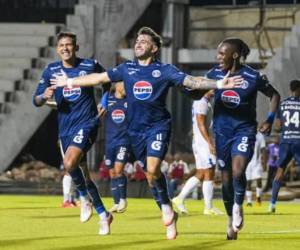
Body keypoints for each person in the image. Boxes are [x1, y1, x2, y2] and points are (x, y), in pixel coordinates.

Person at [50, 27, 244, 240]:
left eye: (144, 41)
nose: (138, 44)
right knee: (151, 175)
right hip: (134, 131)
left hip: (158, 127)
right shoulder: (127, 68)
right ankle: (167, 207)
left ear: (154, 48)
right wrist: (68, 82)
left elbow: (191, 81)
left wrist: (217, 83)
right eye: (137, 41)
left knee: (152, 168)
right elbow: (98, 78)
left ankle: (167, 210)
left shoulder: (164, 70)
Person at [33, 31, 112, 235]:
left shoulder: (89, 65)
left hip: (87, 123)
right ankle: (104, 215)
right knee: (82, 175)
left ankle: (84, 198)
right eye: (62, 46)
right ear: (57, 49)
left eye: (69, 45)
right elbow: (36, 100)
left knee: (69, 164)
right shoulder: (51, 71)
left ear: (76, 47)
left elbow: (107, 81)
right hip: (65, 129)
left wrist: (104, 102)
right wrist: (44, 95)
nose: (65, 48)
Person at [206, 37, 280, 240]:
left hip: (244, 131)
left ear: (235, 55)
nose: (218, 57)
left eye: (222, 53)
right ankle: (230, 219)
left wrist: (270, 119)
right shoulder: (214, 74)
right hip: (221, 132)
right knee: (227, 179)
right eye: (218, 53)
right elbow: (197, 91)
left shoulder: (253, 76)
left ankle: (239, 206)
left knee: (238, 171)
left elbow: (274, 95)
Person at [172, 91, 223, 215]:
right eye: (212, 88)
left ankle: (179, 198)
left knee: (201, 173)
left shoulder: (201, 101)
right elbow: (201, 123)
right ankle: (208, 207)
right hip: (203, 143)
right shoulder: (202, 102)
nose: (214, 90)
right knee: (210, 170)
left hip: (199, 142)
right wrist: (210, 142)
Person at [269, 79, 300, 213]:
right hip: (298, 140)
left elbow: (277, 125)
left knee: (280, 171)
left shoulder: (283, 104)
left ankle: (272, 204)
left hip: (286, 141)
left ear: (290, 89)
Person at [100, 82, 130, 213]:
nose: (125, 88)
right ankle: (116, 202)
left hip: (123, 141)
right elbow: (99, 111)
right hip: (110, 141)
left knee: (118, 169)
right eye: (123, 85)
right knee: (112, 172)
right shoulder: (108, 98)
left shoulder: (130, 101)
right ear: (116, 86)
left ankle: (123, 199)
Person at [245, 132, 266, 207]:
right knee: (248, 182)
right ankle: (249, 201)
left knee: (259, 179)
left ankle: (258, 198)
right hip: (247, 162)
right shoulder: (244, 132)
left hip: (257, 162)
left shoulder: (260, 135)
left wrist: (264, 163)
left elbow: (263, 149)